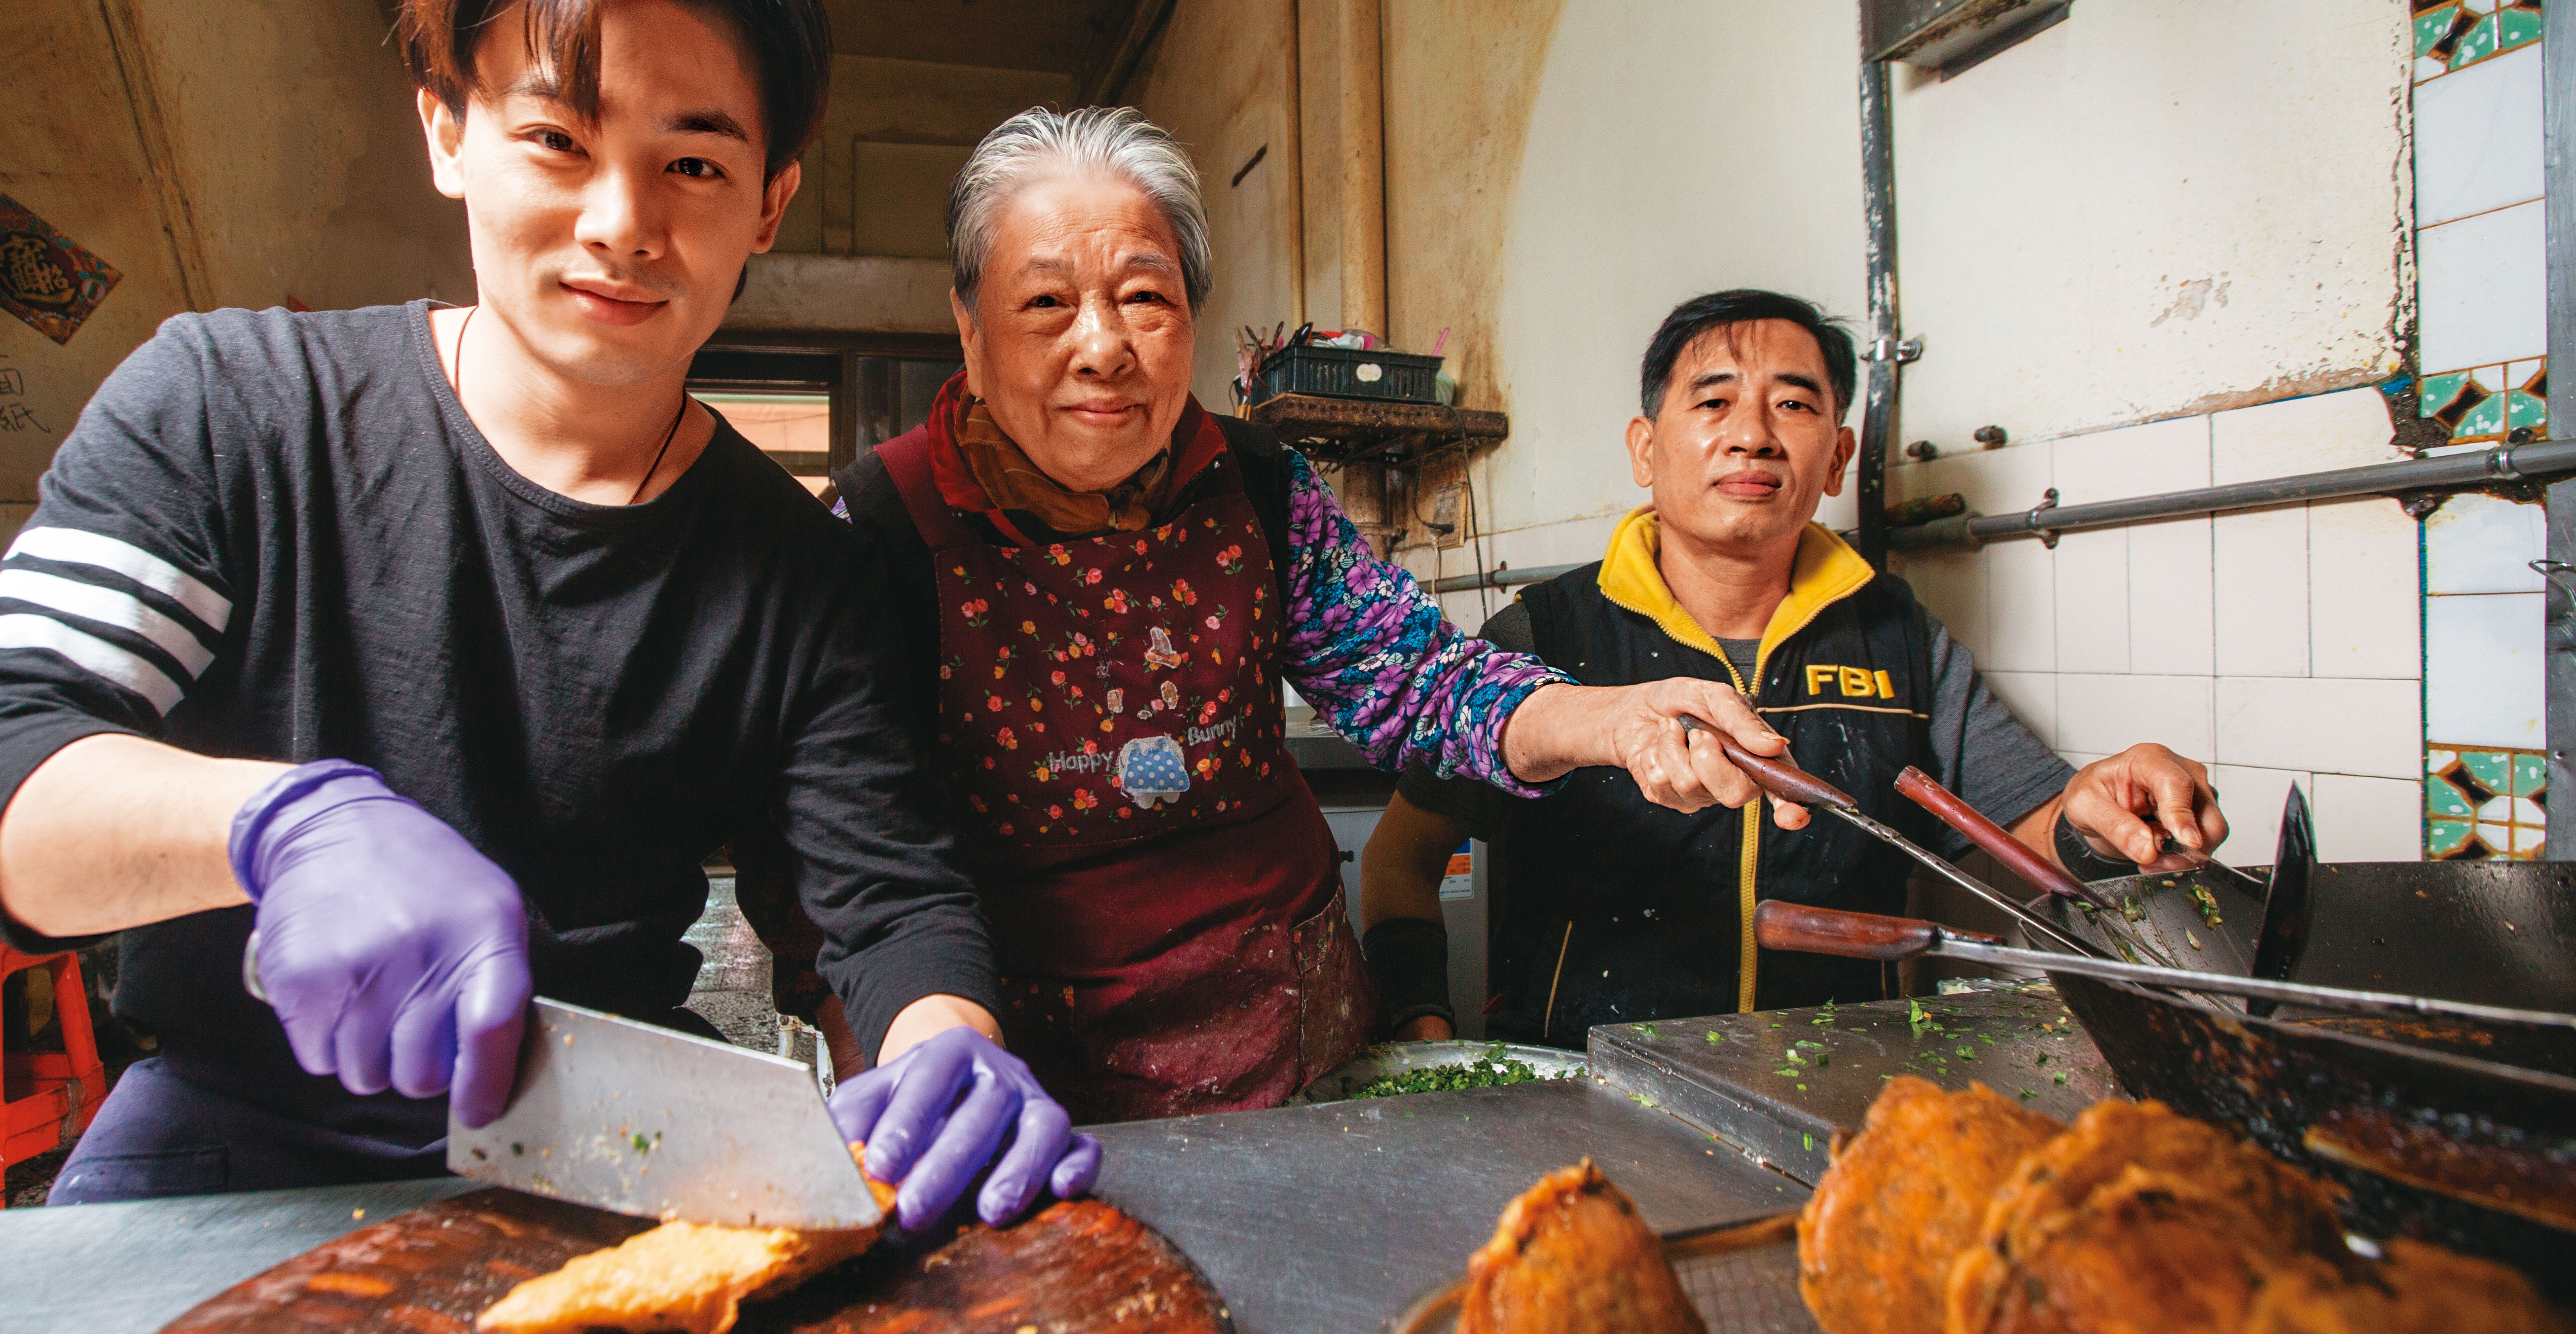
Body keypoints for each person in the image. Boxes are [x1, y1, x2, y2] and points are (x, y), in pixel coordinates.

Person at [0, 0, 1092, 1230]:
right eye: (557, 140)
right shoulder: (235, 411)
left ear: (769, 203)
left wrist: (952, 1055)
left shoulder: (797, 570)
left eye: (692, 164)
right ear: (448, 131)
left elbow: (884, 896)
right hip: (231, 1132)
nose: (623, 225)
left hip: (597, 1139)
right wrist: (280, 826)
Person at [806, 110, 1810, 1122]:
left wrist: (1612, 720)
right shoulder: (877, 528)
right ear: (970, 332)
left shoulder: (1256, 484)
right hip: (1005, 1070)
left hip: (1287, 1048)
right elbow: (843, 853)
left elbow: (1416, 681)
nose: (1103, 346)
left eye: (1145, 297)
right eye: (1046, 302)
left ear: (1194, 319)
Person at [1363, 288, 2228, 1041]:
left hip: (1846, 1094)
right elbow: (1400, 859)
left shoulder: (1894, 634)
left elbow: (2034, 833)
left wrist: (2100, 812)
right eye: (1712, 403)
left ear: (1838, 460)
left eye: (1794, 406)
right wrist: (1423, 1030)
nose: (1753, 437)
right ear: (1643, 448)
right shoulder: (1545, 634)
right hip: (1581, 1094)